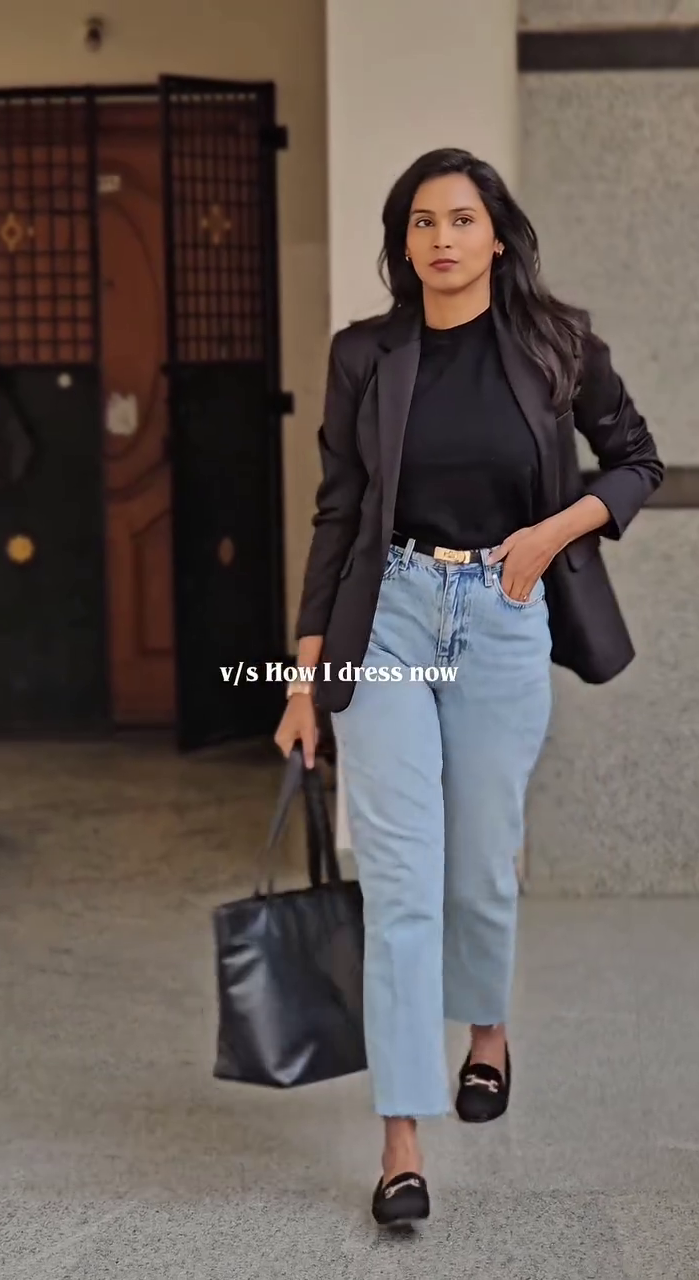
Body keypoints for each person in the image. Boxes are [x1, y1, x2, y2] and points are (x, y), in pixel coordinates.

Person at [274, 147, 663, 1227]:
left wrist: (552, 531)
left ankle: (486, 1029)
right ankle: (402, 1140)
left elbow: (637, 461)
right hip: (391, 610)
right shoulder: (368, 356)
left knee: (481, 861)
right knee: (399, 876)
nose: (441, 238)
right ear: (404, 244)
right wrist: (306, 679)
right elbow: (338, 512)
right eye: (421, 223)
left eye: (461, 218)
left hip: (502, 611)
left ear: (497, 234)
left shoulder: (556, 344)